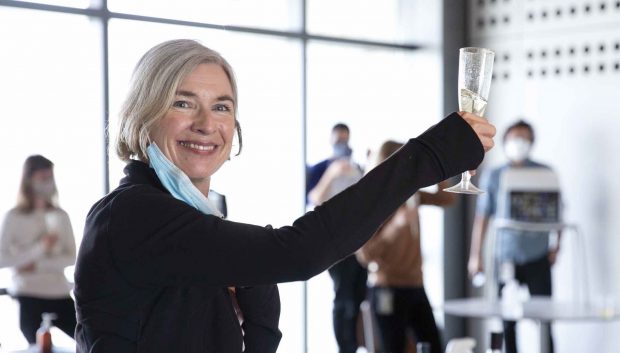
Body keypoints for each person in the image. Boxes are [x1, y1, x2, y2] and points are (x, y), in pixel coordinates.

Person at [73, 39, 495, 353]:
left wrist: (258, 281)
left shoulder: (198, 213)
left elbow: (262, 304)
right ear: (144, 115)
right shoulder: (132, 214)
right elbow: (297, 253)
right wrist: (426, 157)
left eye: (222, 107)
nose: (206, 123)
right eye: (183, 103)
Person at [356, 140, 456, 353]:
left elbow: (447, 198)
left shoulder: (412, 193)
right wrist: (395, 227)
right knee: (394, 348)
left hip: (415, 285)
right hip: (387, 289)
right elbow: (365, 255)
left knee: (432, 345)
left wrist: (439, 166)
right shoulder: (374, 202)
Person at [467, 120, 558, 353]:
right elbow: (483, 216)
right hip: (506, 257)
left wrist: (557, 246)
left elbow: (557, 213)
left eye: (524, 138)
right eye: (515, 137)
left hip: (538, 256)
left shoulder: (545, 173)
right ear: (505, 141)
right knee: (507, 321)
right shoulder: (495, 175)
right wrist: (475, 255)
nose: (519, 143)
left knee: (546, 319)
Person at [0, 155, 77, 344]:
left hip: (59, 293)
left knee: (88, 340)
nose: (48, 184)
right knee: (36, 346)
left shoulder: (61, 216)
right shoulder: (14, 217)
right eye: (43, 179)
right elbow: (2, 259)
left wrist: (36, 265)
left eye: (50, 178)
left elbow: (72, 257)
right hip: (28, 295)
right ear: (29, 180)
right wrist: (41, 247)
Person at [306, 123, 367, 353]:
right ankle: (345, 348)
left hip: (359, 244)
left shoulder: (356, 168)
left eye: (346, 139)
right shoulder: (321, 168)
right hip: (335, 244)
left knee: (358, 297)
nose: (343, 144)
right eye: (339, 139)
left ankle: (356, 343)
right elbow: (314, 199)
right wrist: (332, 174)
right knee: (343, 299)